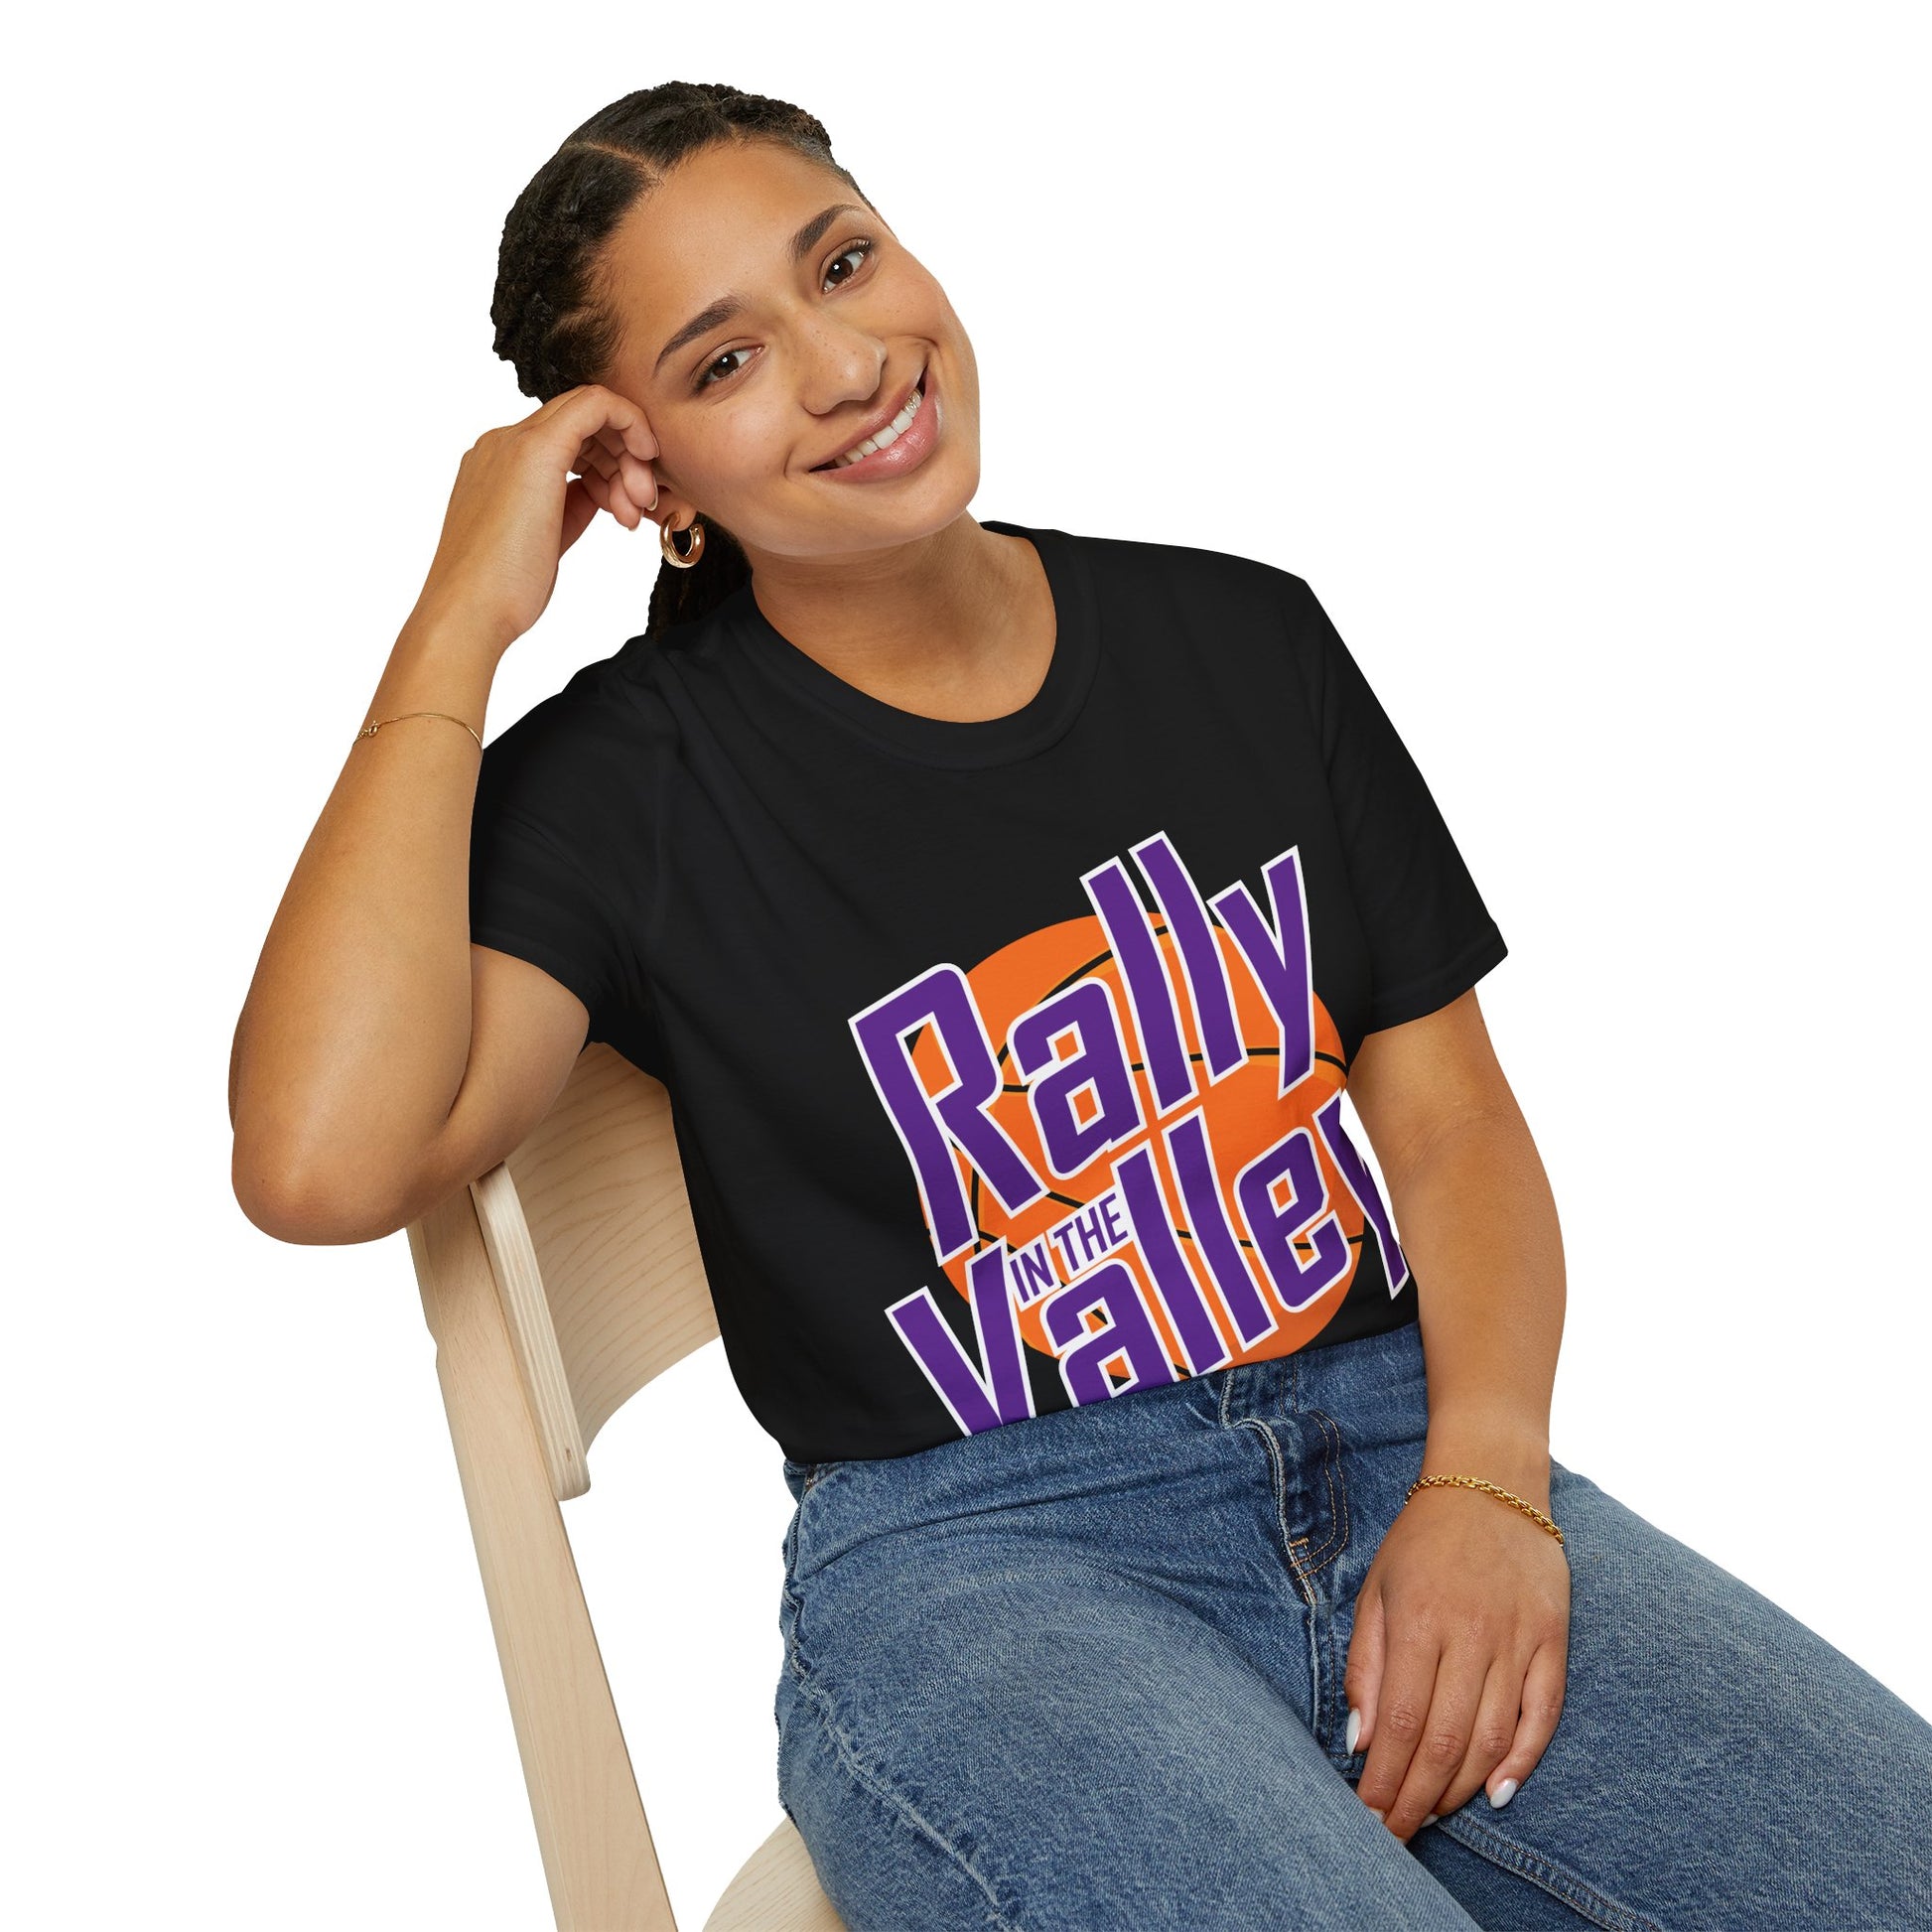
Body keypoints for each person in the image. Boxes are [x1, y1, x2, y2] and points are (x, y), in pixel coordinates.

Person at [228, 80, 1932, 1931]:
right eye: (725, 361)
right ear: (651, 482)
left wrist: (1488, 1482)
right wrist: (458, 618)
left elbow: (1450, 1126)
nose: (846, 365)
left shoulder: (1244, 639)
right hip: (985, 1563)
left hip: (1401, 1441)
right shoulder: (630, 785)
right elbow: (319, 1160)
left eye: (842, 263)